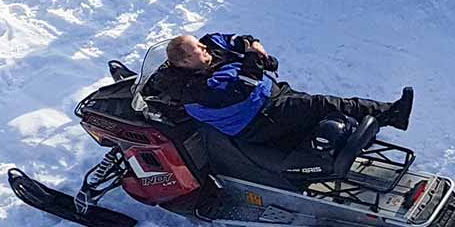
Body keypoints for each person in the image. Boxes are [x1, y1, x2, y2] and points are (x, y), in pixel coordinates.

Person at [148, 32, 413, 148]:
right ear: (185, 62)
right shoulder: (193, 90)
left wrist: (253, 46)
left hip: (272, 96)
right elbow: (243, 86)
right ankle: (390, 113)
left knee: (318, 113)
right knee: (321, 104)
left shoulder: (208, 47)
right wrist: (252, 57)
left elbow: (236, 40)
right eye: (198, 49)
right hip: (257, 120)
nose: (205, 48)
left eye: (201, 45)